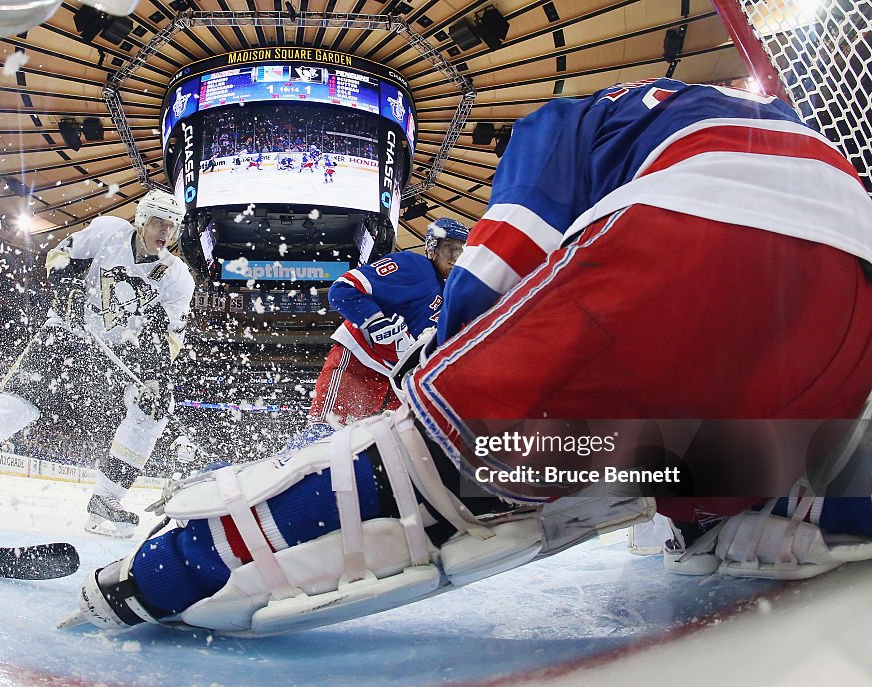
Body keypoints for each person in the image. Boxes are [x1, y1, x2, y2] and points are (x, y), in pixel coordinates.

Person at [62, 79, 872, 635]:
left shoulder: (553, 131)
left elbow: (489, 285)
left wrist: (442, 389)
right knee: (687, 456)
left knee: (440, 455)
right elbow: (357, 291)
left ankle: (166, 572)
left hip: (701, 242)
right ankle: (753, 505)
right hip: (851, 296)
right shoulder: (414, 268)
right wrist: (412, 346)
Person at [0, 190, 195, 538]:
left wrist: (155, 379)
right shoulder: (108, 232)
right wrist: (68, 291)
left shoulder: (175, 277)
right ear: (142, 221)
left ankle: (107, 500)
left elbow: (166, 335)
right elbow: (59, 257)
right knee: (18, 406)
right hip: (66, 334)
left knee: (154, 408)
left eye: (172, 227)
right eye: (159, 223)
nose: (165, 233)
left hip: (115, 350)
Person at [308, 218, 468, 427]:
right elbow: (343, 289)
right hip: (358, 364)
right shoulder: (414, 266)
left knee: (388, 453)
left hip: (396, 384)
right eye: (449, 248)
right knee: (323, 439)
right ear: (432, 248)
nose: (456, 257)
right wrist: (376, 322)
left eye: (461, 250)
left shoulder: (452, 295)